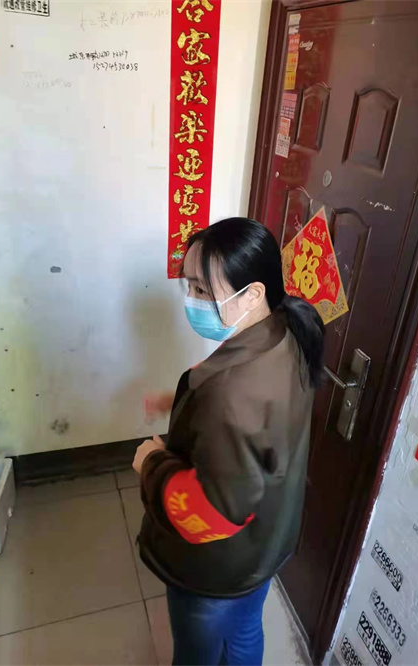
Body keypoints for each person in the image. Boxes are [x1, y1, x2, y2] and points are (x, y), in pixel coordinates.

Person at [133, 218, 325, 666]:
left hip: (220, 567)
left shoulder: (231, 393)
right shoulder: (286, 330)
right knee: (245, 629)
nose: (191, 300)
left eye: (202, 289)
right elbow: (260, 420)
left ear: (253, 293)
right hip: (268, 540)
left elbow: (210, 512)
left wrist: (152, 462)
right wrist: (184, 401)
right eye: (189, 286)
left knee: (196, 655)